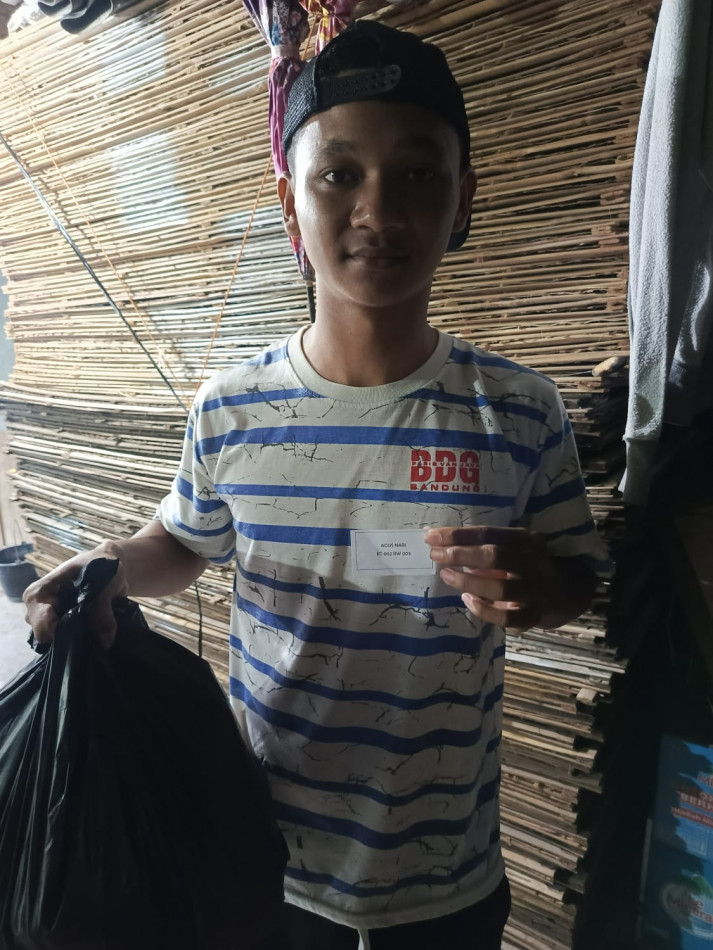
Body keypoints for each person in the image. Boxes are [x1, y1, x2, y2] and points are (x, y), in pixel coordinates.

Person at [24, 20, 613, 950]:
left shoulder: (518, 410)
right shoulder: (232, 407)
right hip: (263, 858)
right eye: (339, 175)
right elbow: (181, 542)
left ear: (462, 197)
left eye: (417, 174)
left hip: (447, 874)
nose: (378, 209)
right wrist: (106, 566)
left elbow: (579, 576)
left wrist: (544, 588)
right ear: (290, 207)